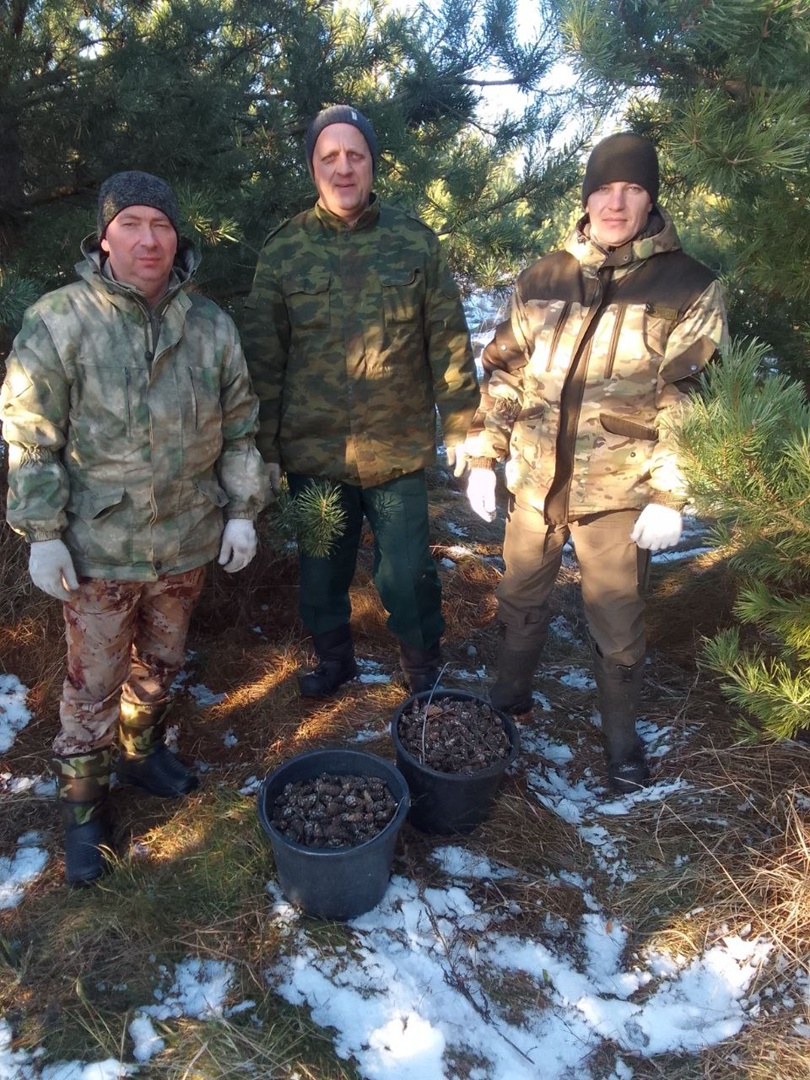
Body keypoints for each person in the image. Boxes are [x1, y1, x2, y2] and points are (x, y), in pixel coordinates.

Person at [0, 170, 269, 884]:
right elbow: (30, 437)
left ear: (177, 239)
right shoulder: (60, 321)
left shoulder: (209, 325)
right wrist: (42, 532)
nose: (148, 240)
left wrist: (242, 511)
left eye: (161, 225)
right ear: (104, 237)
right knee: (92, 683)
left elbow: (240, 427)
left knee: (161, 662)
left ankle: (142, 752)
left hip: (186, 538)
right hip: (98, 548)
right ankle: (84, 807)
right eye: (131, 225)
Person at [459, 133, 728, 794]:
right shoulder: (543, 276)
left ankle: (621, 741)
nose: (615, 202)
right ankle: (509, 700)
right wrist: (485, 455)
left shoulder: (688, 284)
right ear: (586, 198)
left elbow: (691, 395)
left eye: (632, 189)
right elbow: (505, 372)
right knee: (519, 596)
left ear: (650, 200)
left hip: (619, 492)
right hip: (534, 482)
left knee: (617, 622)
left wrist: (670, 494)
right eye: (604, 188)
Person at [243, 104, 478, 697]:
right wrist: (261, 450)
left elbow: (448, 342)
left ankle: (422, 671)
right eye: (329, 157)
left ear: (373, 164)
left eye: (355, 155)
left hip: (395, 449)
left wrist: (462, 427)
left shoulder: (414, 242)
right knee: (321, 571)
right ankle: (335, 662)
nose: (343, 167)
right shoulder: (284, 250)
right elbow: (263, 360)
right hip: (314, 451)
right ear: (313, 168)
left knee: (408, 573)